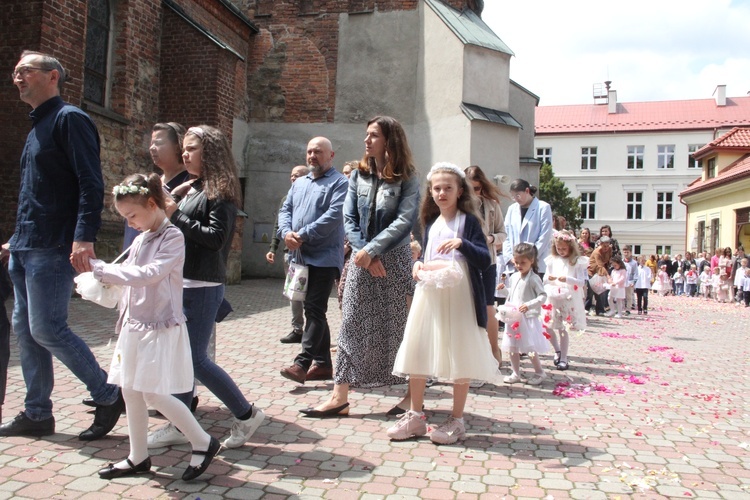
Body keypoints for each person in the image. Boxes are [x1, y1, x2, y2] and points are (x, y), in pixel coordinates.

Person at [0, 50, 124, 440]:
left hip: (54, 247)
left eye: (25, 72)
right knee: (27, 329)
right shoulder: (37, 126)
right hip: (27, 245)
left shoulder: (70, 119)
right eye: (15, 72)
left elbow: (91, 183)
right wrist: (16, 237)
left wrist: (84, 237)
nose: (17, 78)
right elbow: (36, 192)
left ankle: (107, 394)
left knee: (48, 328)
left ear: (52, 77)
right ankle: (37, 414)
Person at [93, 174, 218, 481]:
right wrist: (102, 278)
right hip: (135, 325)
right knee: (131, 390)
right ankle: (138, 457)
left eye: (132, 215)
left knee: (152, 392)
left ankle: (202, 441)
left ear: (152, 203)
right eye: (125, 217)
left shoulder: (172, 237)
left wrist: (108, 271)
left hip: (159, 325)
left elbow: (151, 273)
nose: (130, 222)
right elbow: (129, 274)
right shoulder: (141, 238)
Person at [149, 125, 265, 449]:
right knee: (182, 358)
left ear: (210, 152)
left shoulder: (222, 193)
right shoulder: (195, 188)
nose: (184, 154)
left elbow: (215, 240)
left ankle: (246, 414)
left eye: (191, 148)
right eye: (184, 149)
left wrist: (174, 213)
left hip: (202, 285)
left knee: (195, 359)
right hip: (184, 283)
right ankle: (179, 422)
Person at [299, 117, 420, 418]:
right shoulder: (359, 175)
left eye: (374, 136)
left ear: (390, 140)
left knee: (402, 327)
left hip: (395, 260)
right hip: (362, 259)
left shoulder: (408, 177)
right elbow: (348, 218)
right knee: (351, 322)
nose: (366, 141)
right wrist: (365, 251)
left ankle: (412, 395)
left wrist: (372, 250)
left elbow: (404, 221)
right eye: (366, 135)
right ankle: (339, 397)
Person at [387, 162, 498, 444]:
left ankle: (457, 419)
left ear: (460, 191)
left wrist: (463, 243)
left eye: (448, 188)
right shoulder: (431, 221)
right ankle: (415, 416)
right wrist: (418, 265)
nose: (441, 192)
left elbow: (484, 259)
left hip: (459, 295)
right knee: (419, 346)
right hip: (430, 292)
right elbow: (426, 253)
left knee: (459, 351)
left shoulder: (468, 221)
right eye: (437, 188)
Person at [278, 137, 348, 386]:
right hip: (299, 256)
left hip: (324, 257)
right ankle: (323, 365)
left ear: (331, 155)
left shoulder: (341, 183)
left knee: (315, 309)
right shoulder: (299, 184)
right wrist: (286, 233)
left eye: (318, 152)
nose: (312, 156)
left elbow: (333, 216)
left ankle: (302, 362)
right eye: (309, 151)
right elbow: (285, 210)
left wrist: (302, 235)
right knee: (310, 308)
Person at [123, 122, 191, 250]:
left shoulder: (188, 182)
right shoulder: (154, 182)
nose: (152, 148)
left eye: (158, 143)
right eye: (151, 143)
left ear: (177, 147)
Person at [465, 165, 507, 367]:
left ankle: (494, 351)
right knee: (466, 309)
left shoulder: (491, 205)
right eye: (470, 188)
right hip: (464, 261)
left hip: (488, 260)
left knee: (489, 306)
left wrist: (490, 238)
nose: (474, 193)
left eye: (478, 188)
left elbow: (502, 233)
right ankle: (471, 354)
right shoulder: (459, 204)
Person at [267, 165, 310, 344]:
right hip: (290, 255)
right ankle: (297, 329)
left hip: (309, 254)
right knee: (295, 293)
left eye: (298, 175)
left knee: (310, 295)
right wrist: (272, 248)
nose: (293, 178)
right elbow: (279, 225)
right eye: (292, 175)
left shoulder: (311, 196)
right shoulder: (287, 199)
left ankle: (312, 329)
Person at [497, 243, 549, 385]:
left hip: (527, 319)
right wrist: (503, 290)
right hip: (513, 317)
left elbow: (542, 296)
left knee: (528, 347)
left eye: (523, 262)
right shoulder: (514, 276)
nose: (519, 265)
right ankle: (515, 373)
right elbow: (513, 294)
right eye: (517, 262)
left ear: (531, 261)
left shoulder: (533, 278)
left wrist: (529, 305)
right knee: (512, 346)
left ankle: (539, 372)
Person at [542, 230, 587, 371]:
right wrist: (548, 279)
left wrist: (568, 279)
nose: (561, 251)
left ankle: (564, 357)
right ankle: (557, 350)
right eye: (558, 248)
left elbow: (581, 282)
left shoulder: (576, 262)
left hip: (568, 297)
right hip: (553, 295)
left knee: (563, 327)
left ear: (570, 247)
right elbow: (545, 278)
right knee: (547, 325)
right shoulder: (552, 260)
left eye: (564, 249)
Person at [502, 179, 553, 279]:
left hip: (535, 264)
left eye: (518, 195)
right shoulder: (512, 209)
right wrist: (511, 257)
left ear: (527, 191)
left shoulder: (543, 207)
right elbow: (506, 235)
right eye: (513, 196)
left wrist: (529, 258)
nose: (516, 199)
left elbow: (544, 237)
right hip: (515, 264)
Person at [586, 236, 612, 316]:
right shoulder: (597, 252)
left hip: (600, 273)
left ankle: (600, 310)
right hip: (591, 272)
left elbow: (608, 261)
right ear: (600, 244)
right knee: (590, 292)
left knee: (600, 291)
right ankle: (586, 308)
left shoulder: (610, 249)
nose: (606, 248)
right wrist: (608, 277)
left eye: (607, 246)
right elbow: (600, 265)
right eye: (604, 246)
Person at [622, 245, 637, 313]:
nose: (626, 254)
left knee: (629, 296)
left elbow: (635, 273)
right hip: (622, 281)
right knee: (621, 295)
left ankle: (628, 309)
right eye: (625, 252)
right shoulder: (622, 262)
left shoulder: (634, 263)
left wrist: (633, 282)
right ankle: (621, 308)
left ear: (630, 253)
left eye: (627, 252)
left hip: (629, 281)